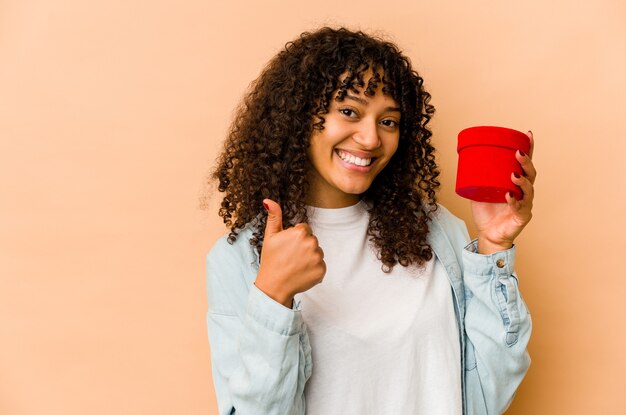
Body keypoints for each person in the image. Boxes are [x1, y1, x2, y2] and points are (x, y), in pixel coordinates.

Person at [205, 26, 535, 415]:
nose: (371, 139)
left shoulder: (435, 230)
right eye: (349, 112)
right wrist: (274, 298)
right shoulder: (241, 257)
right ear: (300, 116)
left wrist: (494, 246)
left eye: (388, 121)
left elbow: (488, 392)